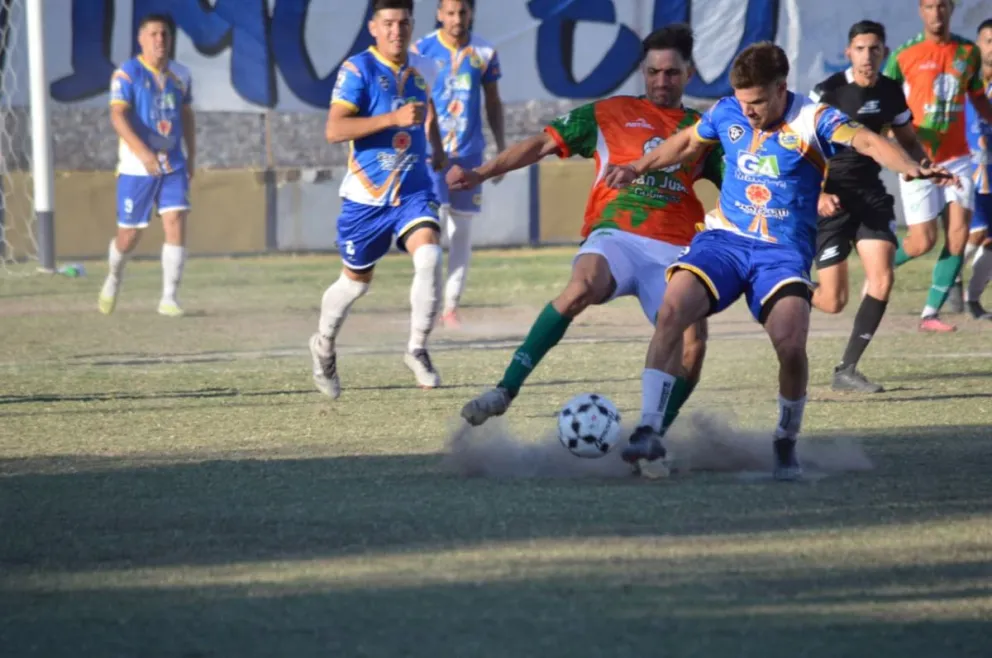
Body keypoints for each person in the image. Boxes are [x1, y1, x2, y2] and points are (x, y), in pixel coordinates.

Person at [605, 42, 953, 480]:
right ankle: (648, 429)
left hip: (783, 253)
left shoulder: (814, 117)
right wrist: (636, 167)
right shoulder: (727, 111)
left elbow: (867, 140)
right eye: (743, 102)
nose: (748, 111)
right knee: (672, 309)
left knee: (790, 347)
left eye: (758, 102)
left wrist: (911, 166)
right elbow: (685, 144)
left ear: (781, 87)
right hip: (725, 241)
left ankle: (785, 442)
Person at [454, 25, 723, 431]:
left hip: (674, 250)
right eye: (653, 72)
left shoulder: (704, 130)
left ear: (690, 73)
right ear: (642, 72)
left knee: (693, 346)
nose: (661, 81)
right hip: (617, 234)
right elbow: (542, 144)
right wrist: (481, 172)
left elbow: (741, 185)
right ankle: (505, 390)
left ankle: (651, 437)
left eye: (671, 72)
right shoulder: (609, 113)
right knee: (582, 286)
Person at [310, 0, 447, 398]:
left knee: (430, 255)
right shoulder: (357, 70)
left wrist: (436, 147)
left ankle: (417, 348)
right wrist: (391, 119)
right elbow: (334, 129)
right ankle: (323, 344)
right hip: (366, 198)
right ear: (373, 27)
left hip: (413, 190)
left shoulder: (426, 66)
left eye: (403, 23)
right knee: (354, 284)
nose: (396, 31)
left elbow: (429, 108)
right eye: (388, 23)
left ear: (411, 26)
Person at [810, 21, 933, 393]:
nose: (867, 56)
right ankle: (786, 288)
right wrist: (817, 194)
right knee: (832, 301)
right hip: (832, 196)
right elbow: (803, 148)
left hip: (871, 194)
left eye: (874, 49)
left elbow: (908, 142)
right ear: (849, 52)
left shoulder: (892, 92)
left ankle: (846, 369)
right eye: (860, 49)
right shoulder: (828, 92)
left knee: (882, 278)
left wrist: (928, 167)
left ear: (884, 52)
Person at [883, 0, 992, 331]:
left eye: (942, 6)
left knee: (958, 237)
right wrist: (889, 143)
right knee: (922, 242)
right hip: (919, 158)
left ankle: (930, 313)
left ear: (951, 8)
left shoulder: (967, 53)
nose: (936, 13)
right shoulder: (904, 55)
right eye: (930, 6)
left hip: (958, 159)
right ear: (921, 10)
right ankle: (881, 269)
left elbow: (977, 99)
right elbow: (885, 102)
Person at [414, 0, 506, 328]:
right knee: (431, 230)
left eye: (462, 12)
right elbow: (413, 100)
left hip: (469, 154)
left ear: (471, 13)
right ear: (439, 14)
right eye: (450, 12)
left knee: (461, 232)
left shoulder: (484, 52)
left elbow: (493, 102)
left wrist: (501, 147)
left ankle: (451, 306)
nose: (456, 19)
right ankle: (428, 301)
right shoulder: (421, 50)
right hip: (431, 154)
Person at [98, 14, 195, 317]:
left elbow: (186, 114)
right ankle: (114, 276)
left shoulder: (181, 74)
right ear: (141, 39)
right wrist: (142, 153)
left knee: (176, 219)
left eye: (164, 34)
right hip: (136, 167)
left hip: (173, 163)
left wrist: (191, 154)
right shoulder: (126, 74)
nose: (160, 40)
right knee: (128, 236)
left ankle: (169, 298)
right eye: (153, 34)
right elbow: (118, 116)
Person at [962, 19, 992, 320]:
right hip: (967, 167)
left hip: (991, 169)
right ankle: (949, 280)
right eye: (989, 41)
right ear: (978, 45)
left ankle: (972, 299)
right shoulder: (964, 80)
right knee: (977, 232)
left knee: (989, 238)